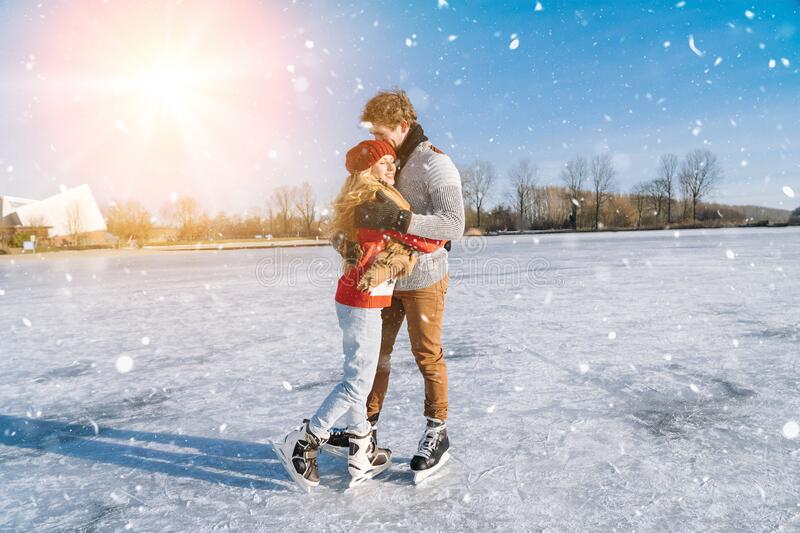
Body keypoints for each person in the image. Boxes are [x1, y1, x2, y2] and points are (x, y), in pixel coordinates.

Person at [272, 140, 446, 490]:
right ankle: (304, 441)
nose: (391, 168)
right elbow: (422, 241)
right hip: (364, 300)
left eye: (393, 161)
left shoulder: (359, 198)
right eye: (384, 163)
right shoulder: (378, 200)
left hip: (354, 298)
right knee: (357, 383)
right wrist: (440, 236)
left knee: (359, 376)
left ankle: (361, 453)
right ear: (368, 170)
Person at [329, 90, 465, 482]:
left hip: (425, 278)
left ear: (403, 127)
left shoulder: (435, 164)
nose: (377, 138)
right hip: (385, 280)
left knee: (427, 355)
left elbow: (453, 223)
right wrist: (348, 237)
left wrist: (402, 221)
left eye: (383, 131)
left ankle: (436, 431)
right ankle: (364, 432)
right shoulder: (383, 159)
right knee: (376, 356)